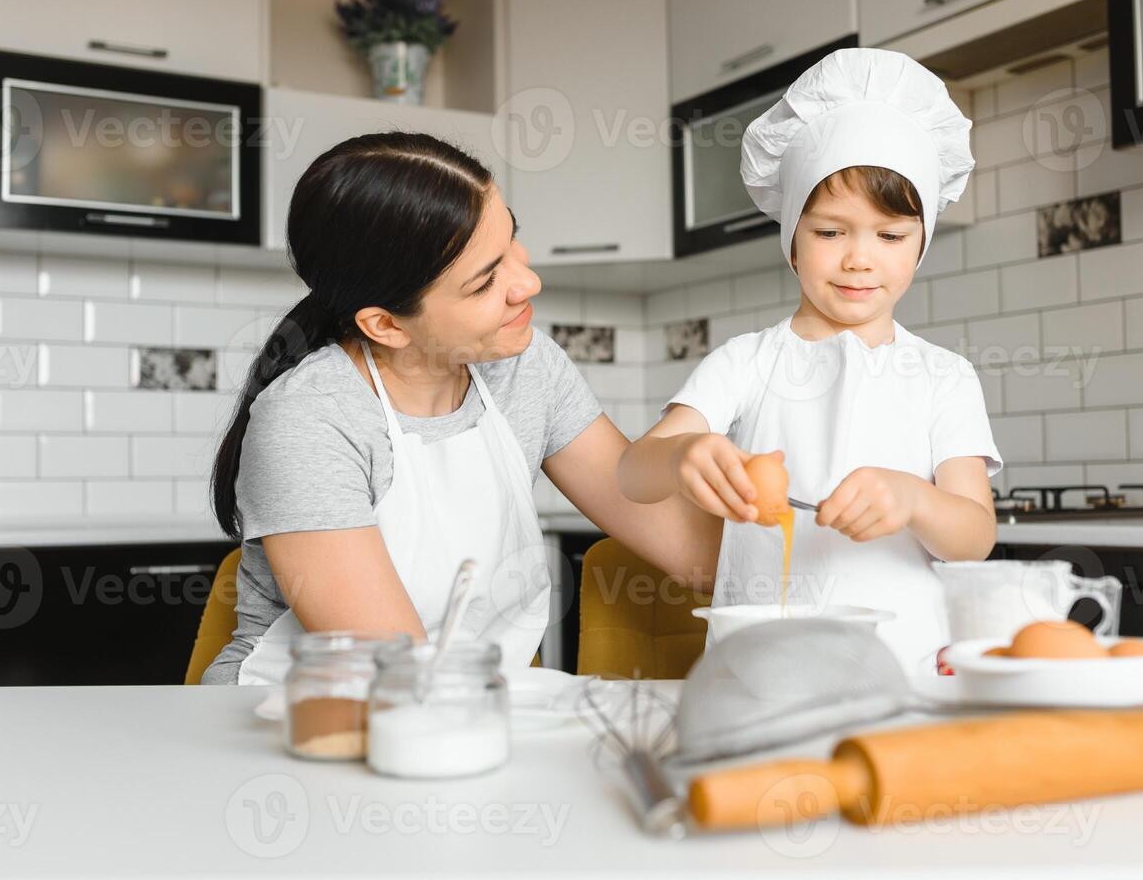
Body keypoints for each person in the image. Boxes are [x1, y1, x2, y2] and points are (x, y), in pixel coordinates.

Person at [202, 132, 714, 685]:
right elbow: (401, 674)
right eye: (485, 281)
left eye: (513, 241)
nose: (528, 282)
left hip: (461, 709)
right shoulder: (311, 418)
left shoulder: (524, 366)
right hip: (298, 720)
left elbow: (689, 549)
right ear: (387, 325)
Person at [618, 49, 1003, 680]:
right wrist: (682, 456)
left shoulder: (945, 376)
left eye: (890, 236)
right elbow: (633, 476)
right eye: (830, 232)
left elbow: (974, 537)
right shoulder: (746, 362)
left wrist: (914, 500)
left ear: (921, 244)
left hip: (901, 673)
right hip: (760, 672)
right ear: (791, 237)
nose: (859, 259)